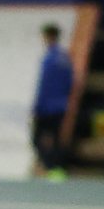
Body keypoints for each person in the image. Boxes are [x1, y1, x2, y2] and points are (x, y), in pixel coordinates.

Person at [32, 23, 75, 171]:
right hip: (60, 105)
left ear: (48, 36)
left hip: (46, 106)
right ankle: (57, 169)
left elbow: (45, 85)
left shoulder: (49, 58)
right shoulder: (65, 58)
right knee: (55, 139)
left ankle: (49, 167)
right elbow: (69, 83)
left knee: (37, 139)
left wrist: (37, 107)